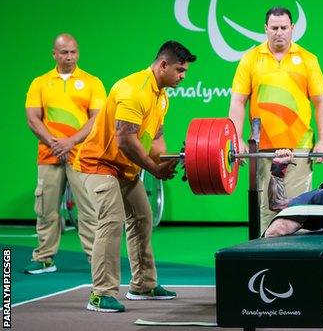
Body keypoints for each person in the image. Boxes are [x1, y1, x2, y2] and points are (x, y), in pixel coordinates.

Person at [73, 41, 196, 312]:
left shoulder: (161, 96)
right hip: (99, 163)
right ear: (163, 64)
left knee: (143, 217)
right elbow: (126, 141)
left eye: (185, 71)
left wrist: (173, 160)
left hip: (124, 167)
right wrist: (154, 170)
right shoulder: (133, 90)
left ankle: (143, 284)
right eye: (179, 70)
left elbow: (158, 139)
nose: (183, 76)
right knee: (112, 220)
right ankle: (100, 293)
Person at [229, 6, 323, 233]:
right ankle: (267, 263)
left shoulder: (308, 59)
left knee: (298, 209)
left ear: (292, 28)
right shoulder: (250, 59)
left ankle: (297, 264)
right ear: (266, 29)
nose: (279, 32)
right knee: (267, 209)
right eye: (274, 28)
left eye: (284, 27)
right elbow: (238, 102)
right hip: (263, 149)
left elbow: (321, 102)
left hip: (299, 147)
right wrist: (237, 139)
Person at [24, 33, 106, 274]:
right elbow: (32, 118)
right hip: (49, 156)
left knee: (90, 210)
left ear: (78, 53)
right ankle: (44, 258)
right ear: (54, 54)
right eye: (64, 52)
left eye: (73, 52)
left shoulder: (92, 82)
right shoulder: (39, 82)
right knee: (46, 210)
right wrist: (53, 143)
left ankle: (96, 261)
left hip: (82, 156)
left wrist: (70, 142)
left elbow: (97, 119)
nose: (69, 57)